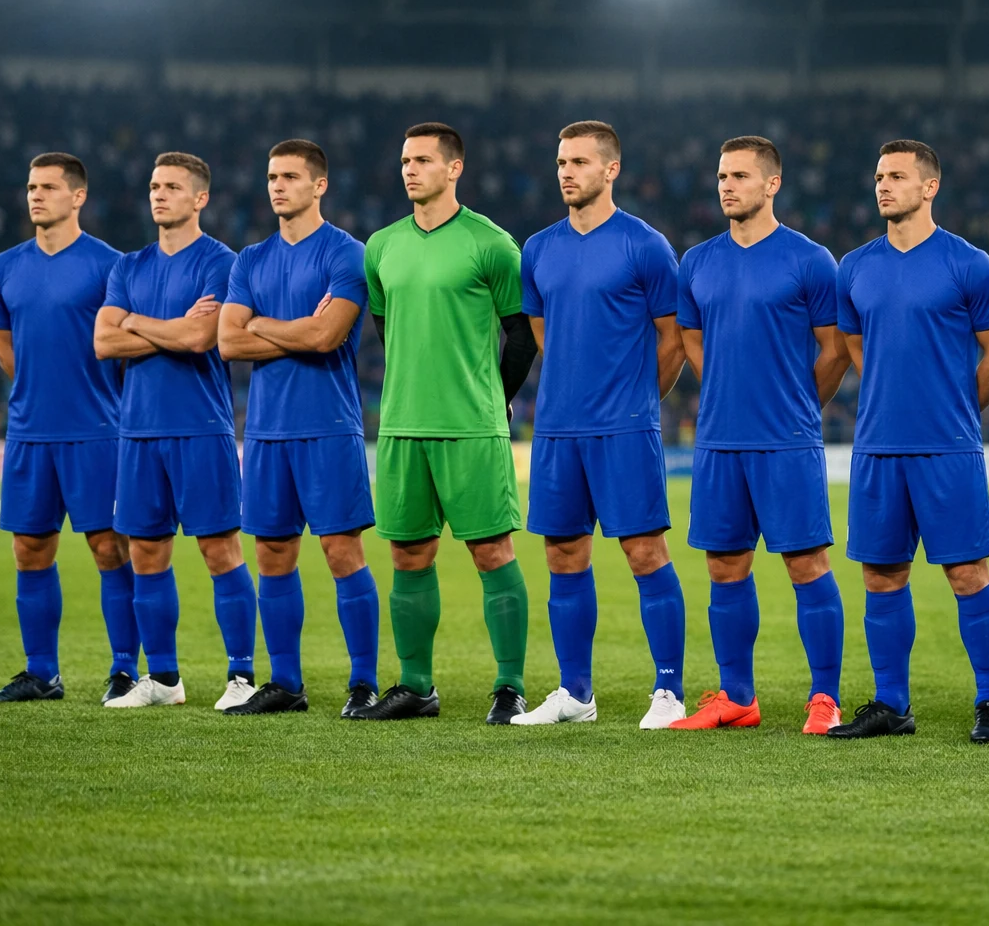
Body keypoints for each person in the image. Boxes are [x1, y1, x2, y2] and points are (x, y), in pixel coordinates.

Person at [827, 140, 989, 741]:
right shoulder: (854, 267)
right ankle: (891, 703)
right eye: (879, 176)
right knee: (882, 575)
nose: (883, 186)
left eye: (898, 177)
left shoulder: (969, 264)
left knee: (968, 573)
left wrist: (954, 407)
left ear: (929, 187)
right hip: (878, 446)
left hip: (947, 448)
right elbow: (858, 352)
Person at [353, 123, 538, 723]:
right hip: (402, 425)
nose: (410, 169)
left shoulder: (491, 244)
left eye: (423, 160)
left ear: (454, 168)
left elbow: (522, 335)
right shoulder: (380, 246)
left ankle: (509, 686)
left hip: (472, 426)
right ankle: (415, 686)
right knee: (408, 556)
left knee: (491, 552)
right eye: (405, 159)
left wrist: (496, 397)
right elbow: (387, 329)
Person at [667, 136, 851, 734]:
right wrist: (726, 390)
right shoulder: (696, 262)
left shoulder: (810, 260)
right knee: (725, 566)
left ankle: (824, 697)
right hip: (720, 441)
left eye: (740, 176)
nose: (727, 186)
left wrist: (796, 403)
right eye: (722, 175)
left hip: (787, 440)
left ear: (772, 184)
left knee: (806, 564)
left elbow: (833, 350)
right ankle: (737, 696)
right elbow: (692, 342)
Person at [512, 120, 689, 729]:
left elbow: (672, 340)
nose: (566, 171)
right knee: (563, 554)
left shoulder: (645, 246)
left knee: (644, 551)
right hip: (558, 429)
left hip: (624, 427)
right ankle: (575, 694)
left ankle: (669, 691)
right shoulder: (537, 248)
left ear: (610, 170)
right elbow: (543, 336)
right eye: (561, 161)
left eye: (580, 162)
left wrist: (638, 400)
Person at [218, 139, 381, 717]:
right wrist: (283, 326)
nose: (277, 186)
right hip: (264, 432)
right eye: (271, 176)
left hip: (329, 426)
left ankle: (363, 683)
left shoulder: (346, 254)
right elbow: (227, 340)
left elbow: (326, 337)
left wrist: (260, 324)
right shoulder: (250, 259)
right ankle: (286, 683)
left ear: (319, 185)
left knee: (342, 551)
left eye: (290, 176)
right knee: (272, 555)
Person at [94, 152, 256, 710]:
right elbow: (103, 342)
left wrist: (134, 321)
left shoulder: (221, 262)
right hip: (136, 430)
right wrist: (161, 325)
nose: (158, 195)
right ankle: (163, 680)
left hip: (200, 427)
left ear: (200, 199)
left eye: (172, 187)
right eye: (154, 185)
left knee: (220, 550)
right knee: (145, 553)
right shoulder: (128, 266)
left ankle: (241, 676)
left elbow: (200, 340)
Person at [0, 153, 136, 704]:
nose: (35, 196)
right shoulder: (5, 267)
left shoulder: (110, 265)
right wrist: (38, 394)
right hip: (28, 432)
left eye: (47, 187)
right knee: (30, 548)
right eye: (30, 187)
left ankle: (124, 670)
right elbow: (5, 345)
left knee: (108, 547)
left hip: (96, 429)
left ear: (78, 197)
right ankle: (41, 672)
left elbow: (123, 344)